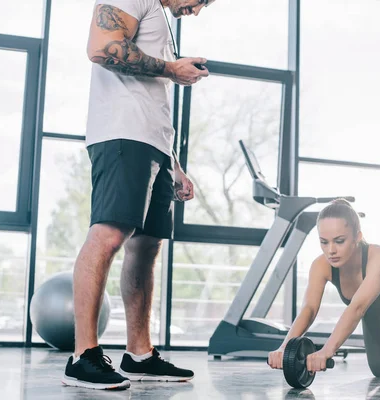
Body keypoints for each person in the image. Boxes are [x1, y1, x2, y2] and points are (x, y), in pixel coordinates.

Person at [61, 0, 214, 390]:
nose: (197, 10)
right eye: (201, 0)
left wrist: (173, 162)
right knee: (110, 234)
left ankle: (140, 355)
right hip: (122, 133)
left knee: (146, 246)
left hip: (154, 145)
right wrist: (171, 68)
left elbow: (151, 97)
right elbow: (101, 47)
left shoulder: (160, 15)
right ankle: (83, 356)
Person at [268, 199, 380, 379]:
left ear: (358, 236)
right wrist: (284, 347)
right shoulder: (320, 265)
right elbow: (308, 310)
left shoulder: (378, 256)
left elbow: (357, 308)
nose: (330, 250)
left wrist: (326, 351)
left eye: (339, 241)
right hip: (378, 307)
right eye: (324, 242)